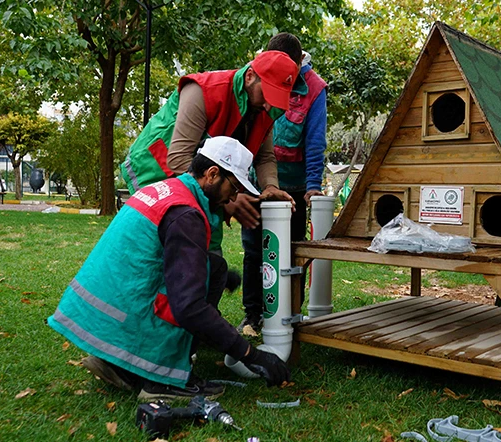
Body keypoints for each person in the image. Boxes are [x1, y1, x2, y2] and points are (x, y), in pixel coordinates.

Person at [50, 137, 291, 402]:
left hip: (104, 311)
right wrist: (251, 355)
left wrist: (217, 277)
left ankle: (119, 364)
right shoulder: (186, 214)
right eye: (233, 187)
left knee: (215, 267)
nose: (234, 197)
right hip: (123, 312)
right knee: (190, 294)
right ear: (212, 174)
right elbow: (189, 307)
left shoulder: (170, 189)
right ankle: (160, 382)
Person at [120, 50, 299, 253]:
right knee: (161, 245)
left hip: (208, 182)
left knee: (207, 243)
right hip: (154, 169)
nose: (269, 105)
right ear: (249, 76)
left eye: (276, 98)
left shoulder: (266, 108)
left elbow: (264, 156)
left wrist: (270, 187)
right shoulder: (204, 91)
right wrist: (228, 200)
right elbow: (178, 158)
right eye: (267, 94)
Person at [238, 33, 328, 333]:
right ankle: (252, 315)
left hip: (294, 186)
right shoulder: (256, 75)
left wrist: (313, 185)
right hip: (256, 178)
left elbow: (315, 141)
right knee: (253, 249)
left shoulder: (314, 88)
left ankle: (289, 312)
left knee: (290, 251)